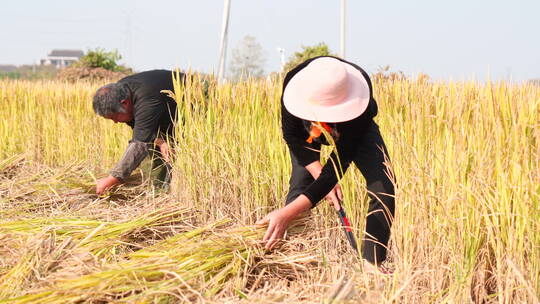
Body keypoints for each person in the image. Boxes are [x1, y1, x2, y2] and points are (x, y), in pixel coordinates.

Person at [257, 56, 395, 271]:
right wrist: (291, 210)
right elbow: (293, 137)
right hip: (306, 128)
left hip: (352, 126)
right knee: (301, 185)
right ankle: (286, 254)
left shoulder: (360, 104)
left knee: (383, 187)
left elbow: (338, 165)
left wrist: (327, 181)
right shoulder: (294, 85)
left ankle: (371, 263)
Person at [92, 69, 182, 195]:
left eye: (114, 117)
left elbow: (139, 144)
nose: (115, 122)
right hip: (168, 112)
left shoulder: (146, 99)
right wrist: (161, 141)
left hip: (197, 103)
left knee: (148, 148)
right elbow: (141, 128)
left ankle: (174, 192)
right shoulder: (121, 91)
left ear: (124, 103)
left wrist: (113, 179)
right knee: (153, 148)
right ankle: (159, 193)